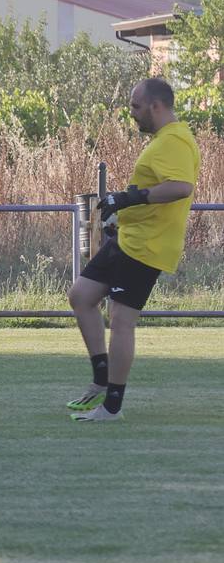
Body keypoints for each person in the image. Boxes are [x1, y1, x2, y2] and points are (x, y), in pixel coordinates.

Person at [67, 77, 199, 422]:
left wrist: (130, 197)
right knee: (81, 296)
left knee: (122, 321)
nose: (132, 114)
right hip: (129, 239)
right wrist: (121, 214)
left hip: (147, 247)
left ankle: (112, 407)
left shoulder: (174, 141)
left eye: (136, 107)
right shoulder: (162, 139)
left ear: (156, 106)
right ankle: (101, 377)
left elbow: (181, 187)